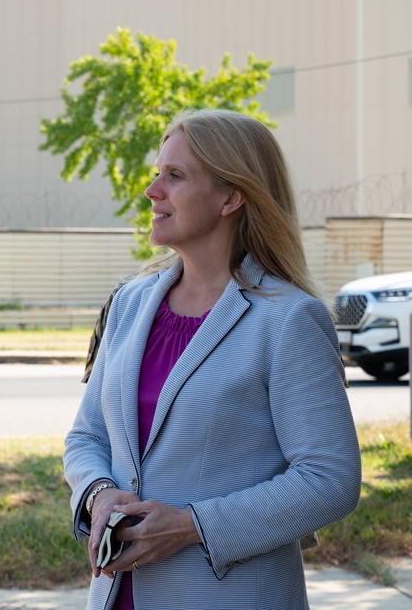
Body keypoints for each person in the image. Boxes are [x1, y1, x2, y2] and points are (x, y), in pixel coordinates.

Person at [63, 108, 361, 610]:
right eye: (158, 173)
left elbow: (330, 479)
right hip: (116, 597)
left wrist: (189, 526)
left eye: (175, 176)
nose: (152, 190)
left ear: (231, 196)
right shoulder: (130, 305)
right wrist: (97, 493)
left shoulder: (289, 319)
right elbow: (87, 436)